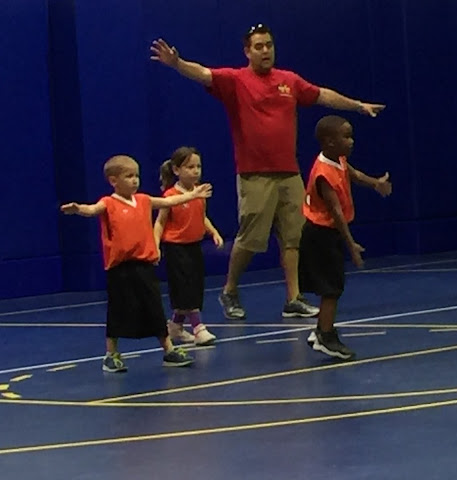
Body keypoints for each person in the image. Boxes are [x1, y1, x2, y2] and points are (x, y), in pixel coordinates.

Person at [150, 24, 385, 320]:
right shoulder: (236, 80)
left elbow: (322, 95)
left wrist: (358, 106)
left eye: (269, 45)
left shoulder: (289, 80)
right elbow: (205, 74)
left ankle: (293, 298)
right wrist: (177, 63)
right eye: (259, 46)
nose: (265, 51)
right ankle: (230, 290)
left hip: (289, 173)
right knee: (250, 239)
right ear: (247, 51)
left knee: (294, 237)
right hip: (254, 174)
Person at [60, 155, 211, 372]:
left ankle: (168, 350)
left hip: (145, 265)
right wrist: (78, 209)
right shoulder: (108, 203)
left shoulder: (143, 200)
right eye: (129, 176)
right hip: (120, 269)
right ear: (114, 181)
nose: (134, 181)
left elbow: (168, 202)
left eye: (136, 176)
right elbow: (92, 209)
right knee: (118, 311)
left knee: (155, 308)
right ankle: (111, 355)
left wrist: (193, 195)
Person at [299, 115, 391, 360]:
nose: (351, 141)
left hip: (328, 234)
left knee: (332, 286)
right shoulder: (323, 173)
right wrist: (351, 245)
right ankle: (325, 337)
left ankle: (321, 329)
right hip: (321, 235)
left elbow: (354, 174)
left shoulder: (338, 159)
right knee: (332, 289)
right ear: (329, 141)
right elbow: (336, 213)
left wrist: (375, 183)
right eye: (346, 137)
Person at [154, 146, 222, 346]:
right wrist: (155, 245)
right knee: (185, 288)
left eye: (198, 166)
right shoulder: (170, 195)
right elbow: (160, 222)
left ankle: (175, 325)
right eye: (190, 167)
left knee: (195, 286)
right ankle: (198, 327)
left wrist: (214, 232)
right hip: (176, 248)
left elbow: (202, 216)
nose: (195, 171)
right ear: (176, 170)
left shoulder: (199, 192)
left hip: (194, 247)